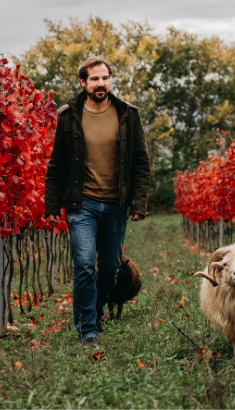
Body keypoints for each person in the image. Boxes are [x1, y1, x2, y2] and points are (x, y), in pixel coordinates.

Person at [44, 56, 150, 347]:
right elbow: (57, 165)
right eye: (94, 79)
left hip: (116, 204)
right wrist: (52, 205)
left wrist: (138, 202)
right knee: (83, 265)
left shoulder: (128, 114)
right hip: (82, 204)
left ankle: (96, 310)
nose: (101, 83)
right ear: (83, 82)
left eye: (105, 78)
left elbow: (141, 162)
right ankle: (87, 329)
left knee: (111, 268)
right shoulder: (68, 115)